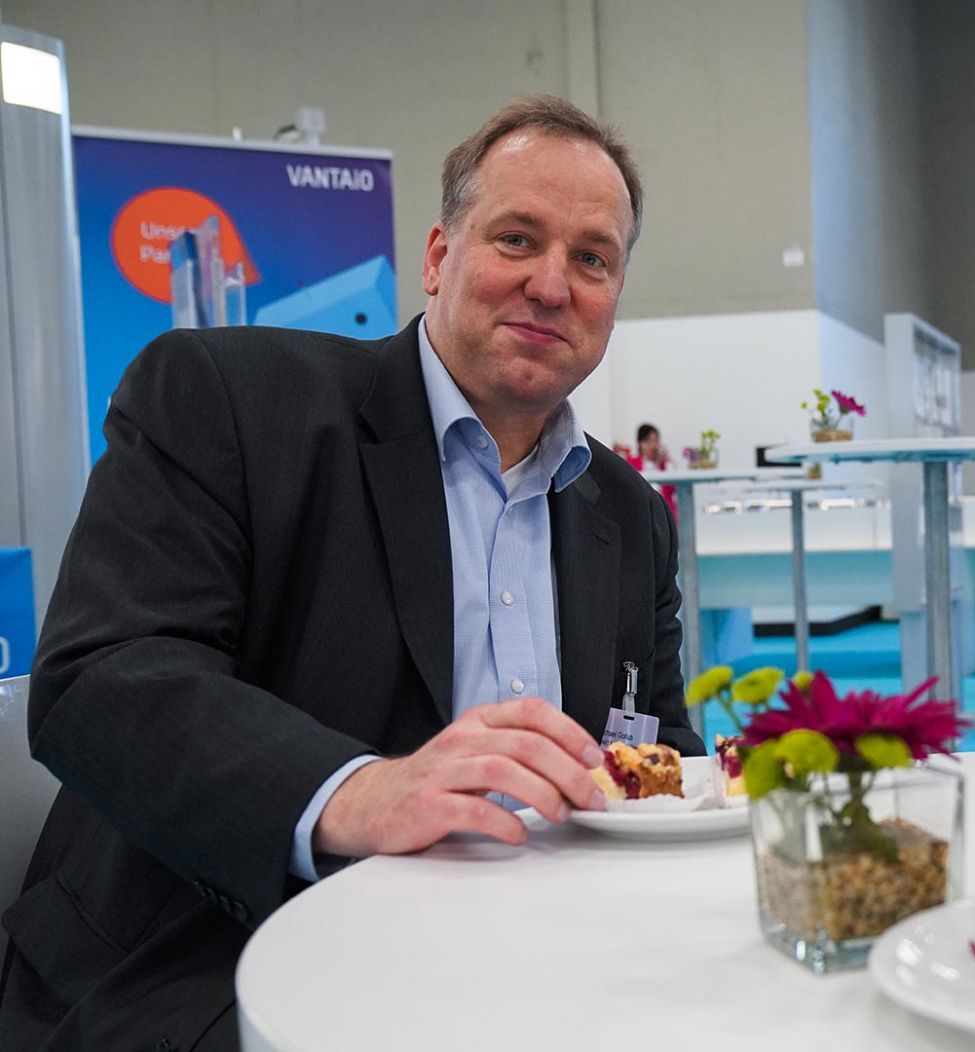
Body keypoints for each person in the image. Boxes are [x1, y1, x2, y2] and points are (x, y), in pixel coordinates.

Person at [0, 96, 700, 1050]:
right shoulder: (228, 399)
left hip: (543, 957)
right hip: (217, 955)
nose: (550, 285)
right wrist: (354, 791)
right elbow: (104, 679)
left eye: (592, 259)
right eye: (516, 239)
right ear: (439, 257)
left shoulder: (630, 514)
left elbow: (653, 744)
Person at [624, 422, 678, 520]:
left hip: (663, 512)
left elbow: (674, 488)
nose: (653, 446)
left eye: (655, 441)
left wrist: (667, 461)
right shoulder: (631, 462)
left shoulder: (663, 464)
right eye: (649, 441)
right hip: (642, 511)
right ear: (640, 443)